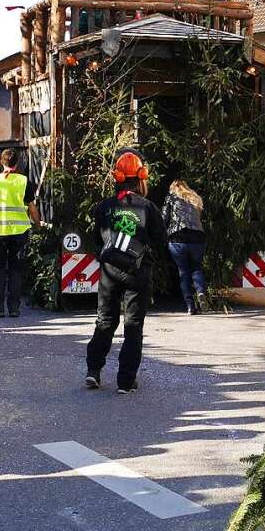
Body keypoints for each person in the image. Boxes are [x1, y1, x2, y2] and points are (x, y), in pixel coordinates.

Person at [85, 149, 166, 394]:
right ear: (141, 177)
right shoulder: (148, 207)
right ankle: (125, 381)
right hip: (137, 272)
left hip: (110, 270)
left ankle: (93, 371)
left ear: (117, 177)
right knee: (133, 325)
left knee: (105, 320)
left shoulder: (105, 206)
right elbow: (161, 240)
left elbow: (96, 238)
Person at [0, 148, 41, 317]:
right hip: (19, 232)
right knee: (16, 270)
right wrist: (37, 225)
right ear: (18, 163)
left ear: (1, 162)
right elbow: (32, 208)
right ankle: (14, 308)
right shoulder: (24, 181)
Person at [162, 180, 207, 315]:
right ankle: (200, 292)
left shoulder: (171, 198)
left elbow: (164, 218)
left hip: (178, 239)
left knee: (183, 272)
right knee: (197, 268)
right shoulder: (195, 197)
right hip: (197, 238)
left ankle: (190, 306)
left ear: (173, 188)